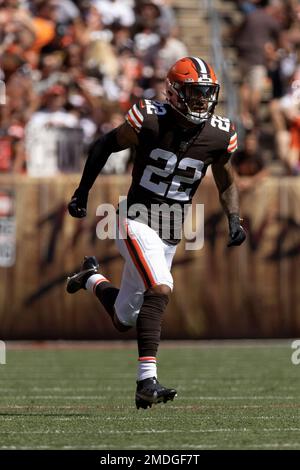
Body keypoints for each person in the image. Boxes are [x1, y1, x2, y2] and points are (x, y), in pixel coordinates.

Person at [66, 56, 246, 409]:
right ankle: (145, 382)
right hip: (134, 218)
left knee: (124, 318)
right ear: (175, 93)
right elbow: (104, 144)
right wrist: (82, 190)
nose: (202, 102)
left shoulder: (219, 133)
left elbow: (225, 177)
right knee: (161, 287)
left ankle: (90, 278)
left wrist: (234, 218)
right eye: (195, 94)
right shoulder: (150, 118)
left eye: (206, 94)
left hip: (169, 231)